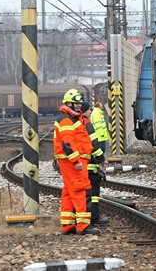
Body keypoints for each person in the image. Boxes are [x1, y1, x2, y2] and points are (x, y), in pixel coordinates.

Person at [53, 89, 100, 235]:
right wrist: (76, 161)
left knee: (69, 191)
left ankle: (67, 225)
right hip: (73, 161)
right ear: (68, 104)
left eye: (80, 104)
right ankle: (83, 225)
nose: (79, 106)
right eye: (76, 104)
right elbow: (67, 142)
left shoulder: (73, 119)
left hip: (73, 161)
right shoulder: (67, 119)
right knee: (81, 189)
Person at [82, 101, 109, 226]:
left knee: (83, 193)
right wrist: (101, 159)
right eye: (88, 110)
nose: (90, 112)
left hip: (81, 164)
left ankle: (87, 218)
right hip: (90, 164)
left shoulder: (76, 123)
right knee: (93, 193)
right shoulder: (87, 124)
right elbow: (94, 144)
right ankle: (94, 217)